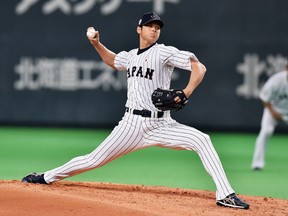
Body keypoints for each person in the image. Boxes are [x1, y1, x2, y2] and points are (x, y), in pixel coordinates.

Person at [22, 12, 249, 209]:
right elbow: (113, 61)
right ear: (139, 29)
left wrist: (187, 91)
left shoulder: (163, 52)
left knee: (202, 140)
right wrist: (96, 44)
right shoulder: (131, 56)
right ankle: (46, 177)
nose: (154, 30)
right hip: (131, 124)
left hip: (162, 124)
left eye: (158, 27)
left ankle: (225, 194)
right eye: (150, 26)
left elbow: (199, 67)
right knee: (93, 160)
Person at [251, 63, 288, 170]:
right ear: (286, 68)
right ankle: (257, 164)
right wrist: (274, 113)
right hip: (273, 109)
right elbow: (264, 98)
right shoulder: (276, 80)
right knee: (266, 131)